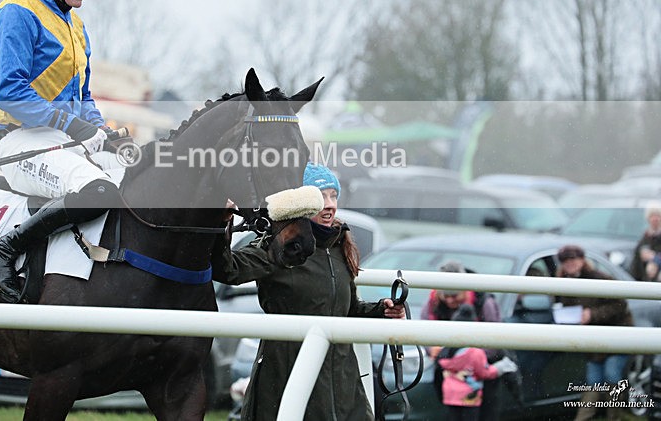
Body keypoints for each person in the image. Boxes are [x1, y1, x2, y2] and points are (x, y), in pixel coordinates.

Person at [0, 0, 125, 304]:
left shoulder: (76, 25)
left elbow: (83, 96)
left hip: (64, 142)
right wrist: (73, 125)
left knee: (138, 177)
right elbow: (9, 94)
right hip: (22, 143)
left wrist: (99, 129)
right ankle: (3, 249)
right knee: (99, 192)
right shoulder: (17, 12)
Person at [211, 162, 405, 421]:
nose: (330, 205)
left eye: (333, 196)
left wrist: (382, 309)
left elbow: (347, 310)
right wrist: (222, 223)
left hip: (343, 381)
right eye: (320, 196)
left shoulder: (340, 245)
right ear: (300, 203)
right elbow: (228, 271)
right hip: (287, 377)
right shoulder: (278, 245)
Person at [555, 244, 633, 421]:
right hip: (593, 341)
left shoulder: (600, 279)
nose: (569, 263)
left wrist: (592, 314)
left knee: (612, 374)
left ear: (582, 260)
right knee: (593, 381)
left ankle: (614, 417)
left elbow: (620, 305)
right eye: (565, 261)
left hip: (616, 336)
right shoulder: (562, 283)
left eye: (573, 259)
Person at [422, 260, 508, 420]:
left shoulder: (485, 302)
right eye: (445, 296)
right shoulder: (433, 302)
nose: (450, 300)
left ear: (466, 291)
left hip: (483, 371)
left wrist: (467, 357)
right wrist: (431, 349)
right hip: (450, 375)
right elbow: (424, 331)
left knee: (487, 415)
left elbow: (497, 340)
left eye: (455, 295)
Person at [436, 304, 517, 421]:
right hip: (470, 396)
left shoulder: (446, 350)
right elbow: (484, 372)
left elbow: (440, 364)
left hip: (451, 395)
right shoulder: (476, 353)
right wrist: (499, 368)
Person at [630, 201, 661, 281]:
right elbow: (636, 261)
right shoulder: (645, 237)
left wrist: (655, 259)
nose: (655, 219)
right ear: (648, 218)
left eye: (658, 216)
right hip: (644, 281)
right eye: (652, 216)